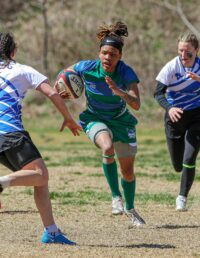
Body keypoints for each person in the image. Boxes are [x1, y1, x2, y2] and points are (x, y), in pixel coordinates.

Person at [59, 21, 145, 226]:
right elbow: (64, 75)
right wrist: (62, 88)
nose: (108, 57)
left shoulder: (126, 73)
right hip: (94, 118)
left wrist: (120, 92)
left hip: (122, 122)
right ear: (99, 53)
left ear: (120, 56)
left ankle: (130, 208)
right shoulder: (86, 67)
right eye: (104, 53)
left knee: (128, 172)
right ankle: (116, 197)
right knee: (107, 146)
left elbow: (137, 104)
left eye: (113, 54)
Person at [0, 32, 82, 244]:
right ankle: (2, 183)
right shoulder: (22, 70)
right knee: (40, 174)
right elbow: (52, 93)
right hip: (9, 134)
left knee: (38, 178)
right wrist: (69, 119)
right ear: (14, 51)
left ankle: (52, 232)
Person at [154, 33, 200, 211]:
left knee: (189, 159)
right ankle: (181, 175)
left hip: (197, 116)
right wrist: (169, 108)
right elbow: (158, 93)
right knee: (177, 165)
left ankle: (182, 197)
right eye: (181, 50)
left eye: (188, 52)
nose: (184, 55)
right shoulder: (171, 67)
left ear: (196, 50)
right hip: (175, 118)